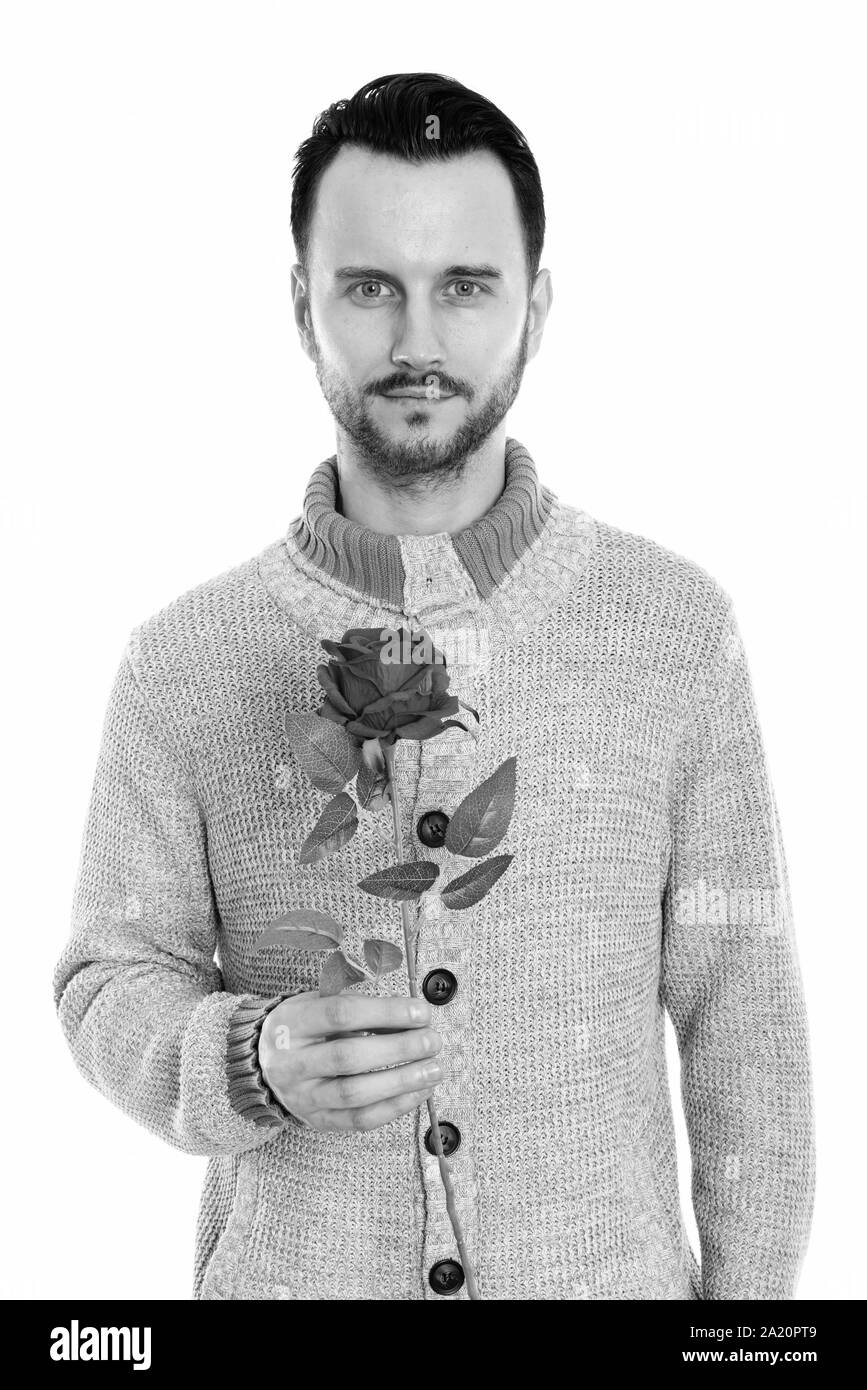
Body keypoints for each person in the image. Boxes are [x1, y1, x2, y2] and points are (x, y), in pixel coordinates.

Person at [53, 71, 816, 1301]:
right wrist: (245, 1057)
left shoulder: (673, 631)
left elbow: (746, 1025)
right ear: (305, 309)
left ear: (537, 305)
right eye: (371, 288)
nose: (417, 343)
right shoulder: (184, 660)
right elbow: (109, 974)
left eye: (465, 286)